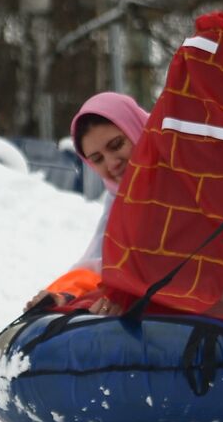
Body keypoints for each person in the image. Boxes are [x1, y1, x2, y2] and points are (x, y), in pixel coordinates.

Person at [24, 92, 148, 316]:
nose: (112, 163)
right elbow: (99, 265)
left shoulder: (187, 177)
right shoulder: (118, 202)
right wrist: (64, 295)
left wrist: (129, 293)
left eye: (116, 145)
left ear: (139, 130)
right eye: (97, 159)